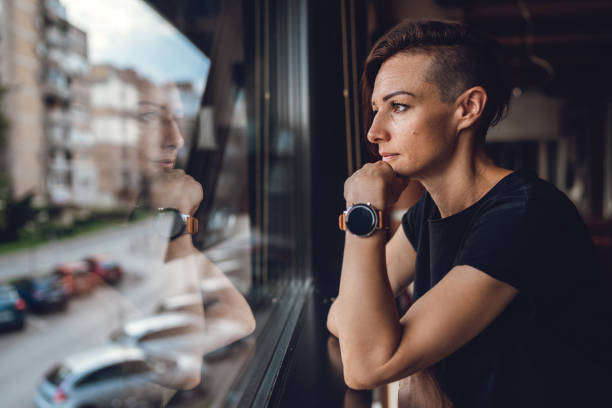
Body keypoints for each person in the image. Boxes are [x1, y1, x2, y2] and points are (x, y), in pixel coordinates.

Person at [327, 20, 612, 407]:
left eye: (398, 106)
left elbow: (366, 366)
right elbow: (341, 315)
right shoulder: (427, 212)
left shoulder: (524, 215)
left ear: (468, 108)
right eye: (376, 109)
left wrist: (364, 211)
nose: (374, 132)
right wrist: (415, 359)